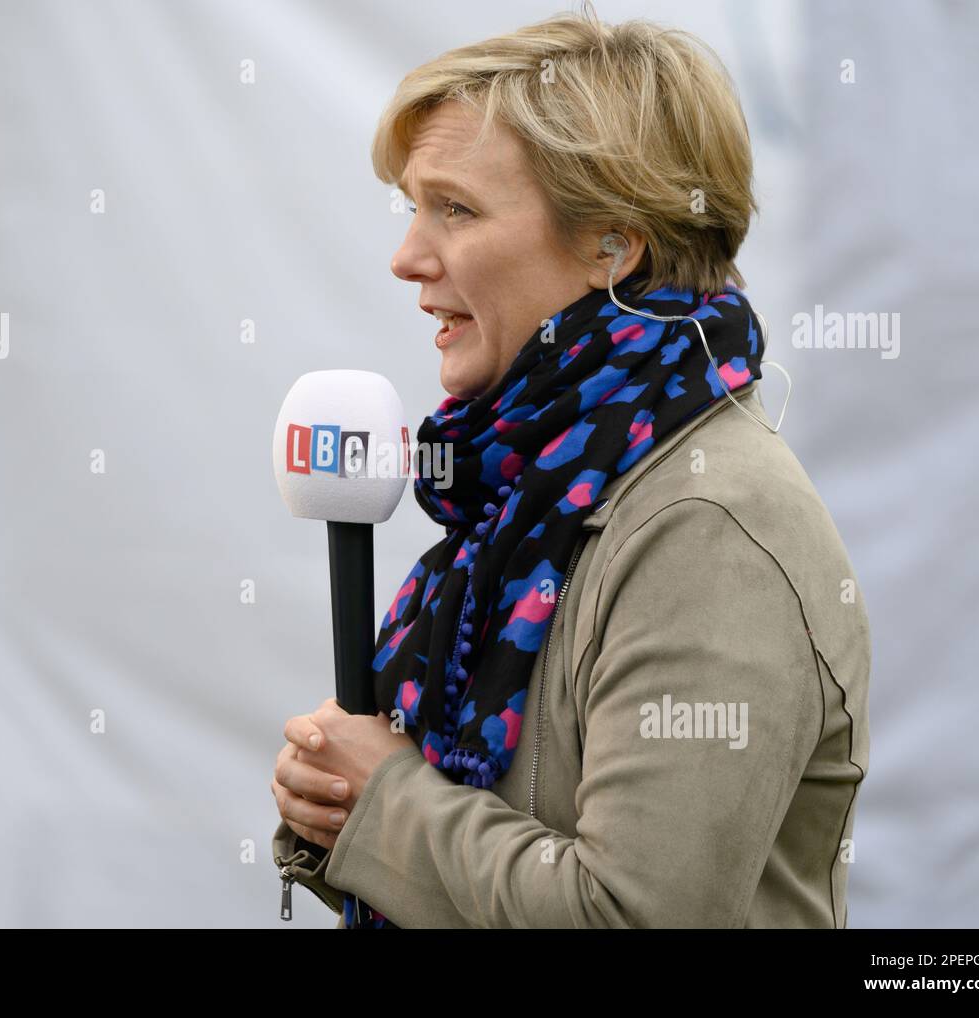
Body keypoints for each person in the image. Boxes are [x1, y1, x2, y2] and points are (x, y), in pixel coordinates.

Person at [271, 5, 870, 928]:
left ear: (612, 246)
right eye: (412, 207)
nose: (405, 257)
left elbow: (632, 914)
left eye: (455, 208)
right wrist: (336, 801)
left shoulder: (706, 528)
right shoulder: (527, 490)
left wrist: (385, 802)